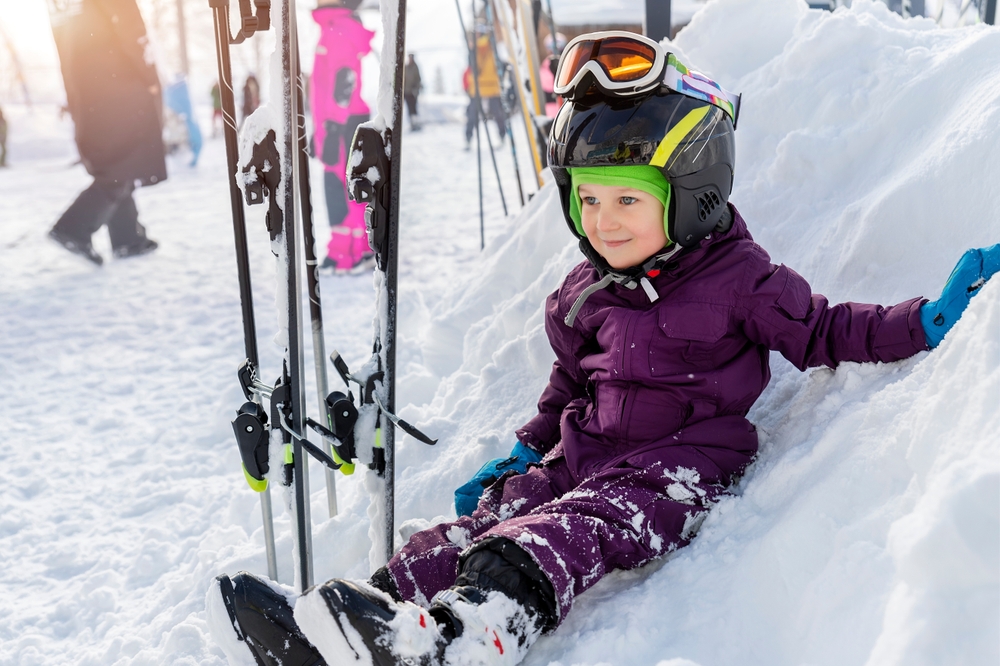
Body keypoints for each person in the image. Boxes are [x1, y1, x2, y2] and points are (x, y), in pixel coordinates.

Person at [207, 32, 1000, 666]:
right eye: (589, 198)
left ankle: (469, 640)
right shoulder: (587, 288)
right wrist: (522, 452)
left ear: (695, 194)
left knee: (556, 534)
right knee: (481, 524)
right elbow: (564, 383)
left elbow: (826, 329)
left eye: (628, 199)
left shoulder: (742, 279)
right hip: (583, 455)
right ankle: (352, 621)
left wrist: (923, 317)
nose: (605, 220)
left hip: (677, 466)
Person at [47, 0, 165, 266]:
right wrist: (149, 77)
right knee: (123, 159)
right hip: (118, 83)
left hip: (86, 87)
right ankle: (73, 228)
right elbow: (131, 27)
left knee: (119, 158)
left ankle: (128, 239)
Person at [310, 0, 376, 273]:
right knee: (339, 186)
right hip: (335, 122)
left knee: (342, 186)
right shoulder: (336, 27)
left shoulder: (339, 29)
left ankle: (351, 253)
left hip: (341, 123)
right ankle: (348, 249)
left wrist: (334, 127)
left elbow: (344, 80)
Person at [463, 29, 507, 149]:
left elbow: (472, 69)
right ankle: (502, 135)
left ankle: (468, 138)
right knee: (497, 113)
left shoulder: (480, 49)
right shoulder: (490, 48)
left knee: (473, 114)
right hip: (489, 86)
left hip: (482, 87)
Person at [403, 53, 422, 130]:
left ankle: (415, 123)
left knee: (413, 108)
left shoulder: (415, 67)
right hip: (406, 92)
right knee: (409, 107)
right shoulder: (406, 67)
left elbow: (418, 79)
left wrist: (416, 87)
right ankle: (411, 123)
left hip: (413, 92)